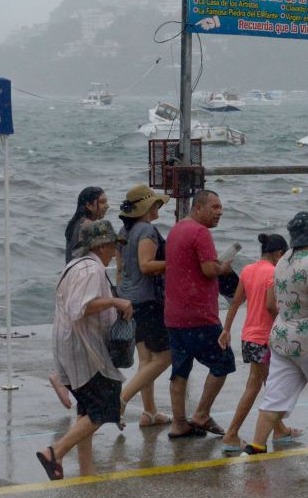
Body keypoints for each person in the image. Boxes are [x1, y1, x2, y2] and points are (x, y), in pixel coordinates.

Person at [244, 212, 308, 455]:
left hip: (283, 340)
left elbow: (274, 302)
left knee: (275, 396)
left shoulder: (283, 261)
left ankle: (257, 445)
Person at [36, 220, 133, 480]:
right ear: (101, 245)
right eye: (112, 245)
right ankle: (55, 452)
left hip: (68, 342)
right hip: (83, 347)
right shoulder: (92, 269)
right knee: (104, 406)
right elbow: (82, 306)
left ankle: (86, 469)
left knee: (86, 407)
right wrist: (115, 301)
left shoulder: (73, 266)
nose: (115, 251)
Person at [218, 233, 301, 451]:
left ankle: (280, 429)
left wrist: (226, 330)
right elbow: (271, 306)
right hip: (266, 339)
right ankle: (231, 434)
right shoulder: (274, 272)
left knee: (269, 383)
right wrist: (287, 324)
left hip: (248, 337)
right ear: (277, 254)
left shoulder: (247, 271)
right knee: (255, 385)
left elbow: (235, 303)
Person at [163, 189, 235, 439]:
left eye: (220, 207)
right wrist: (222, 268)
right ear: (198, 208)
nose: (219, 212)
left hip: (174, 314)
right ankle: (201, 414)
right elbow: (206, 270)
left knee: (180, 369)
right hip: (199, 315)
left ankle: (179, 423)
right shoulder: (200, 232)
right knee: (223, 362)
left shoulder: (176, 230)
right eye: (214, 207)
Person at [115, 184, 173, 428]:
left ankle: (149, 412)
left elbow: (120, 269)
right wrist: (175, 262)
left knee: (146, 359)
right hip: (147, 301)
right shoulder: (147, 230)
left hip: (128, 300)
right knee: (165, 357)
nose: (159, 207)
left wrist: (122, 296)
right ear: (148, 207)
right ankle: (121, 399)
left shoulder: (123, 231)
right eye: (156, 203)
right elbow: (146, 265)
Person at [51, 186, 109, 407]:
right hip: (81, 287)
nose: (106, 206)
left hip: (69, 284)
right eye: (102, 202)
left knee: (74, 339)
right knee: (82, 342)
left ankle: (63, 379)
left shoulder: (76, 224)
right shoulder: (88, 226)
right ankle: (68, 384)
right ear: (89, 205)